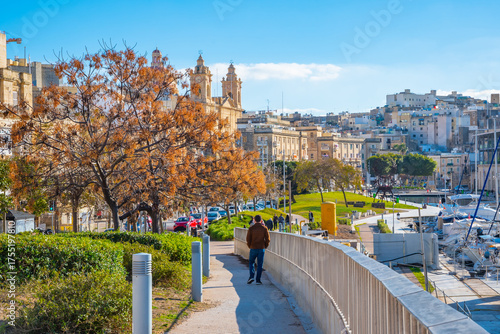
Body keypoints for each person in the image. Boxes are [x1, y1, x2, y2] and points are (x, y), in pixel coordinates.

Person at [246, 215, 270, 285]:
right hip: (261, 248)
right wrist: (265, 246)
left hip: (253, 248)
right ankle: (258, 280)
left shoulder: (251, 228)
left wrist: (250, 246)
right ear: (261, 220)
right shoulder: (264, 228)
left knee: (251, 262)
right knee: (260, 264)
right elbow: (268, 239)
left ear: (254, 220)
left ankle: (251, 277)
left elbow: (248, 239)